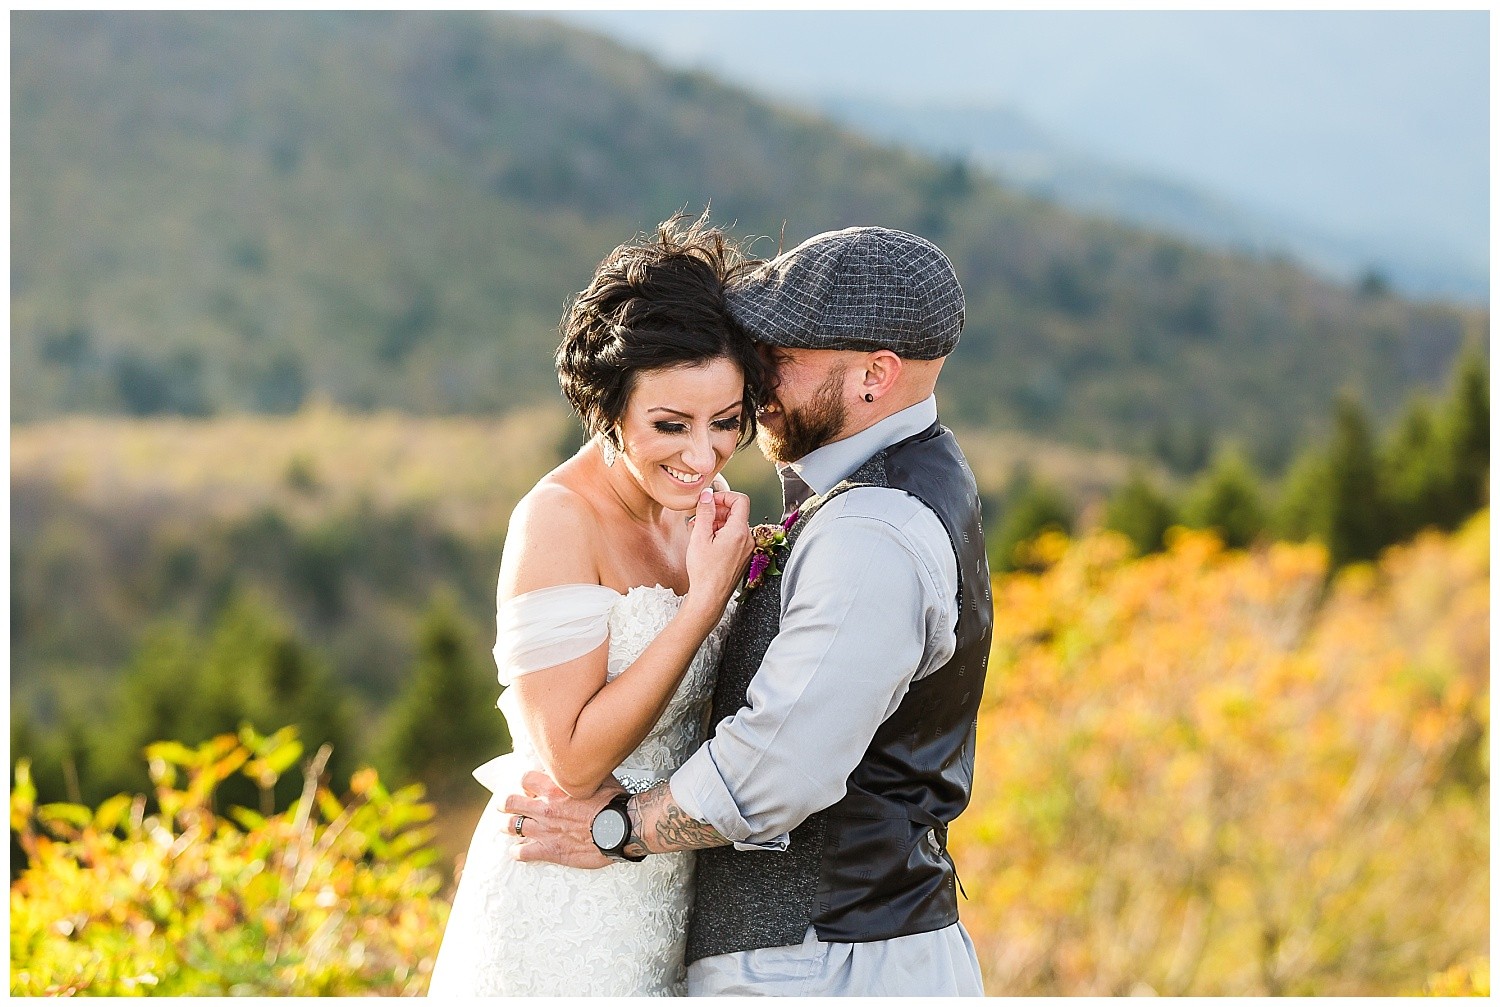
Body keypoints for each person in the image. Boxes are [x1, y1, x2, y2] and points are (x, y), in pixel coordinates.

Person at [504, 225, 995, 996]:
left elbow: (777, 767)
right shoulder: (895, 481)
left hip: (825, 962)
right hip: (739, 940)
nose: (757, 370)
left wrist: (618, 828)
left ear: (874, 375)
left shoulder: (869, 529)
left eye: (782, 350)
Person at [427, 215, 763, 996]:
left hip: (663, 877)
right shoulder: (556, 520)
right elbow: (572, 759)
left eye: (727, 421)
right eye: (669, 425)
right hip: (566, 905)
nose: (702, 454)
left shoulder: (697, 505)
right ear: (607, 409)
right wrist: (704, 600)